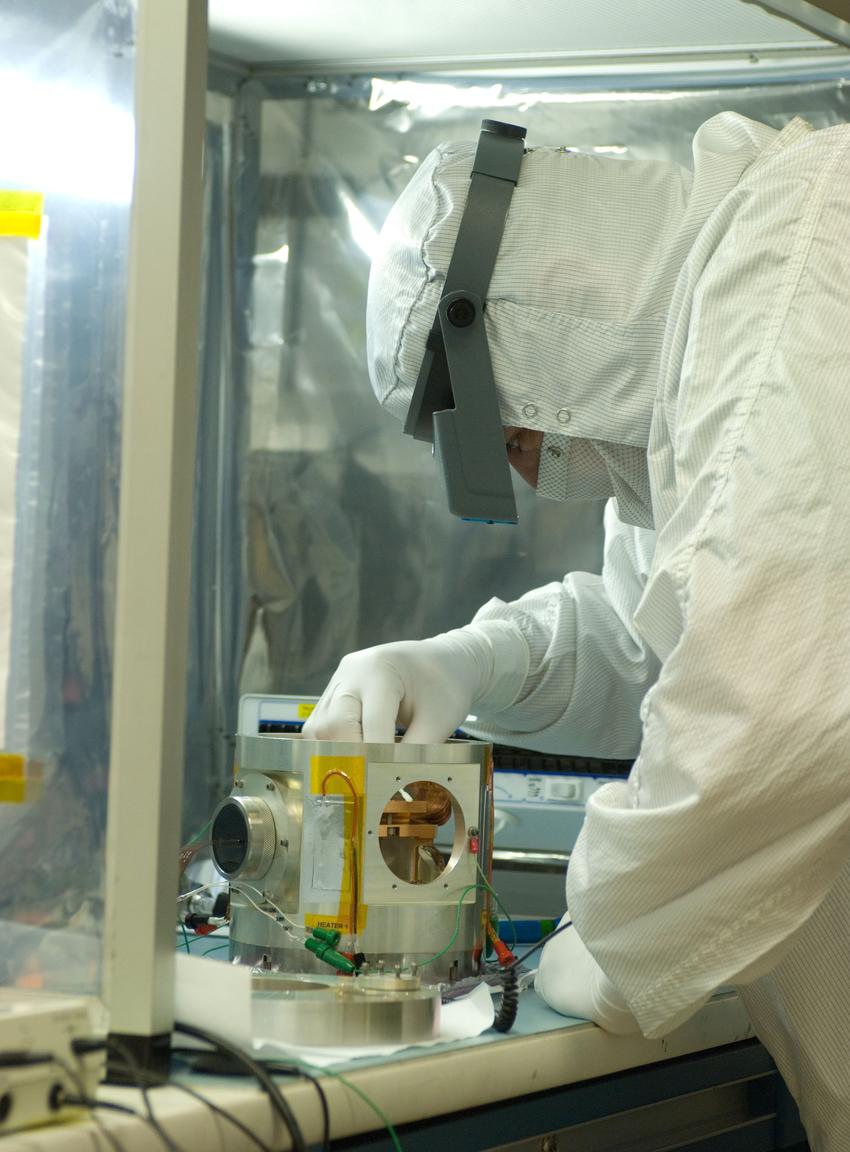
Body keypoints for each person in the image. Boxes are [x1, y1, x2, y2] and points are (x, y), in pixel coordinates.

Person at [303, 111, 850, 1149]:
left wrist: (613, 927)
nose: (523, 464)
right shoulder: (717, 349)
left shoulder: (802, 262)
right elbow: (666, 630)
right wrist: (473, 657)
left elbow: (777, 706)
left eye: (509, 428)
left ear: (529, 322)